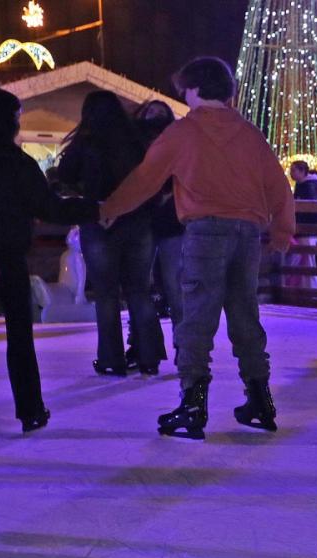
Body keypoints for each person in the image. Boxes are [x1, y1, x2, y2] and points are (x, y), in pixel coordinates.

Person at [100, 56, 294, 440]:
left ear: (194, 88)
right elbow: (278, 187)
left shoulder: (183, 132)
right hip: (247, 233)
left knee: (196, 316)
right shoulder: (250, 134)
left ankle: (192, 404)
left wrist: (110, 209)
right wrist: (282, 232)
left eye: (184, 88)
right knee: (244, 314)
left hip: (206, 232)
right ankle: (259, 398)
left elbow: (145, 179)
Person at [0, 88, 97, 433]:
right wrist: (92, 208)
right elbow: (47, 206)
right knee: (19, 335)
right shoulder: (16, 163)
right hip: (8, 255)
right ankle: (30, 408)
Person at [57, 91, 162, 377]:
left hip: (99, 221)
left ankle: (111, 359)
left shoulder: (86, 142)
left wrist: (89, 202)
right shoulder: (137, 142)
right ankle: (149, 355)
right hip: (139, 221)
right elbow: (155, 181)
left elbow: (63, 177)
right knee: (139, 290)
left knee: (106, 294)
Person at [135, 99, 183, 367]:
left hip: (171, 222)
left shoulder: (175, 142)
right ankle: (146, 345)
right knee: (140, 284)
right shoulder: (134, 142)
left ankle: (182, 343)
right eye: (150, 112)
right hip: (142, 220)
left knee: (175, 284)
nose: (154, 116)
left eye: (160, 113)